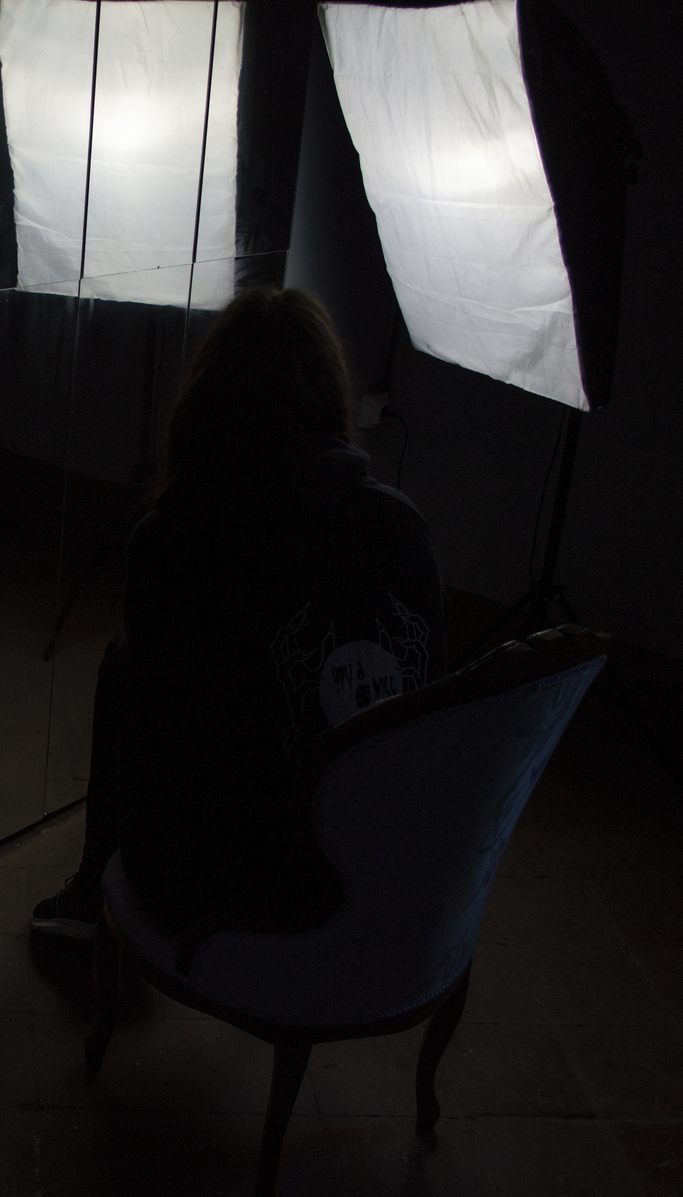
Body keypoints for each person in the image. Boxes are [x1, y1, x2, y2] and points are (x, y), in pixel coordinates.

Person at [31, 288, 447, 939]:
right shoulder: (401, 526)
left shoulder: (177, 538)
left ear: (206, 402)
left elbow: (165, 743)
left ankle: (95, 888)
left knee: (124, 659)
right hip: (379, 864)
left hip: (237, 889)